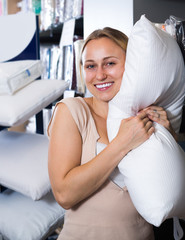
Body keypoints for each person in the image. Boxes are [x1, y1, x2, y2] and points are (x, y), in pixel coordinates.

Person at [47, 27, 177, 239]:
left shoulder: (145, 118)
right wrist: (122, 143)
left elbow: (166, 190)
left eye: (110, 63)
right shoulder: (71, 111)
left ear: (131, 65)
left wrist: (168, 139)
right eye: (91, 66)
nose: (100, 75)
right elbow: (64, 194)